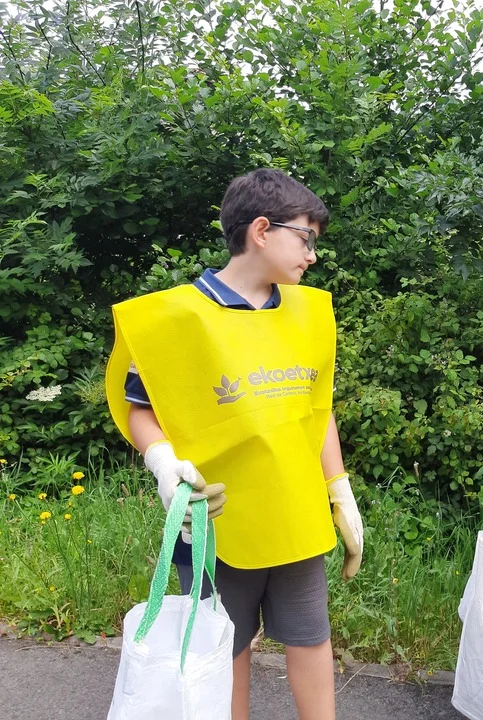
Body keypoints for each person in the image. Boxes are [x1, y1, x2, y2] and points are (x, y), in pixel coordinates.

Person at [105, 168, 363, 720]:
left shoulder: (308, 314)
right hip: (214, 520)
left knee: (311, 636)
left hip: (295, 518)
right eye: (307, 238)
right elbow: (141, 409)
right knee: (224, 645)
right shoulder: (174, 319)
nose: (313, 255)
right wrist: (163, 463)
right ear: (262, 230)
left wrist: (339, 487)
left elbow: (317, 409)